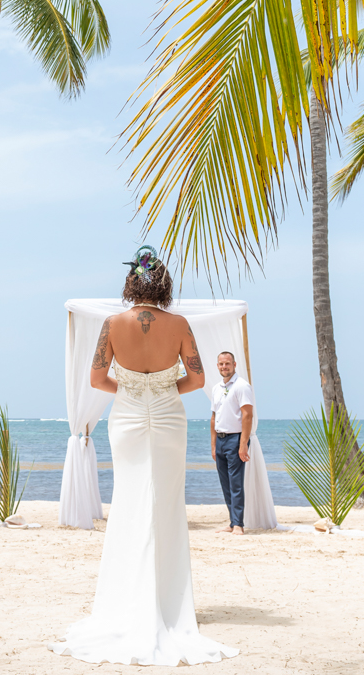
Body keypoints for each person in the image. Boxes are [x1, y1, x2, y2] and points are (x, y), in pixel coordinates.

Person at [50, 248, 239, 666]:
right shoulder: (180, 324)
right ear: (164, 285)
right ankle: (168, 604)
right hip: (169, 417)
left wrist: (134, 390)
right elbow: (198, 379)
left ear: (131, 283)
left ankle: (125, 599)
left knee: (130, 500)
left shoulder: (112, 324)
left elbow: (97, 378)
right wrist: (163, 390)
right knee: (166, 504)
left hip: (128, 417)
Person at [208, 351, 254, 535]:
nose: (224, 367)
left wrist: (243, 444)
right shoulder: (216, 388)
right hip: (220, 440)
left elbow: (247, 415)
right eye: (221, 364)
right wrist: (213, 445)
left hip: (235, 439)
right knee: (225, 484)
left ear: (234, 364)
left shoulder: (242, 386)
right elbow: (213, 417)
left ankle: (238, 525)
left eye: (227, 363)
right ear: (217, 366)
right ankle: (232, 521)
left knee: (235, 483)